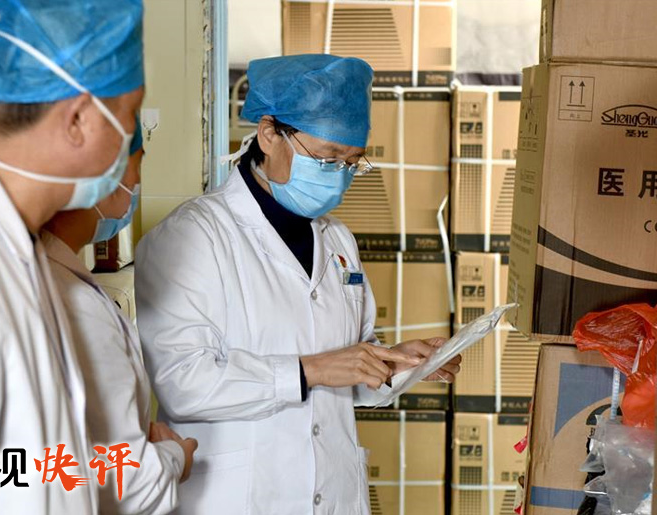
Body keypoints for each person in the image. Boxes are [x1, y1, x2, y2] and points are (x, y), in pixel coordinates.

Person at [135, 54, 462, 514]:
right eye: (327, 158)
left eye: (352, 163)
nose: (339, 176)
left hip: (334, 494)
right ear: (269, 134)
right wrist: (309, 371)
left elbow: (346, 364)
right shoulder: (192, 236)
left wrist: (392, 363)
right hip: (239, 498)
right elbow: (182, 383)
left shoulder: (337, 240)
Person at [0, 0, 144, 513]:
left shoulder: (9, 245)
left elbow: (8, 464)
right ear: (79, 119)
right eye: (128, 116)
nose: (129, 146)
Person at [42, 123, 197, 514]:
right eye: (137, 164)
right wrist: (173, 457)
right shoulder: (75, 305)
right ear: (100, 172)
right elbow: (122, 483)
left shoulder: (48, 272)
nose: (136, 183)